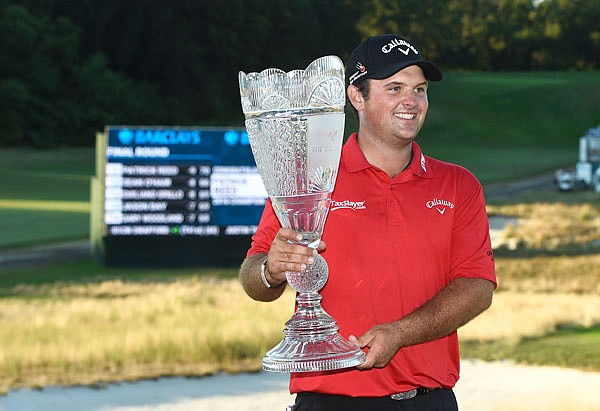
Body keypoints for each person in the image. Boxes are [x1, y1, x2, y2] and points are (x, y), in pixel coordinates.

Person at [239, 34, 497, 411]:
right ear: (356, 97)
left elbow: (478, 286)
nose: (411, 102)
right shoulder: (308, 179)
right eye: (394, 88)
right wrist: (271, 270)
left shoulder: (459, 185)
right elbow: (253, 279)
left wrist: (400, 333)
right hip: (331, 401)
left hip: (430, 401)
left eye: (419, 90)